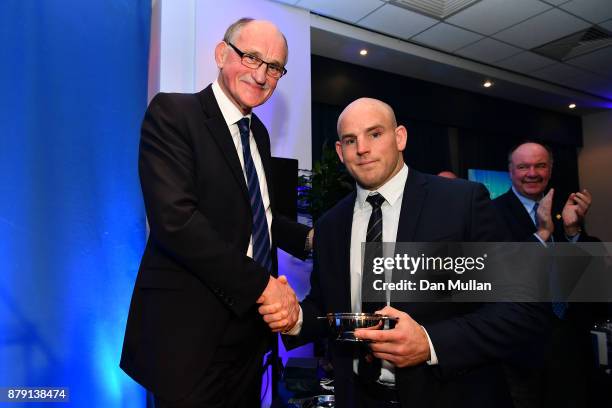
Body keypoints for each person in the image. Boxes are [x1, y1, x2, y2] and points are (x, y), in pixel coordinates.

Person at [265, 98, 549, 407]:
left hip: (450, 396)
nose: (362, 148)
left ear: (400, 137)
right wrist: (293, 318)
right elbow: (328, 307)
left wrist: (429, 343)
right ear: (339, 152)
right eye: (350, 140)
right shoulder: (331, 224)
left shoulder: (460, 203)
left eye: (375, 134)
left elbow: (521, 307)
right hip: (359, 397)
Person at [120, 18, 311, 407]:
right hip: (188, 338)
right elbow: (177, 222)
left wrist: (310, 239)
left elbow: (259, 218)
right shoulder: (174, 113)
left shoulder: (258, 134)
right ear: (222, 54)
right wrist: (264, 285)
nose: (261, 75)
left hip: (249, 336)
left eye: (273, 67)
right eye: (251, 57)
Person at [493, 141, 596, 408]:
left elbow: (585, 281)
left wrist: (573, 232)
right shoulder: (491, 213)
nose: (532, 173)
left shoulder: (568, 209)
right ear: (510, 171)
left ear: (550, 169)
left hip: (569, 343)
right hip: (519, 349)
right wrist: (543, 234)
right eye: (523, 166)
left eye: (540, 165)